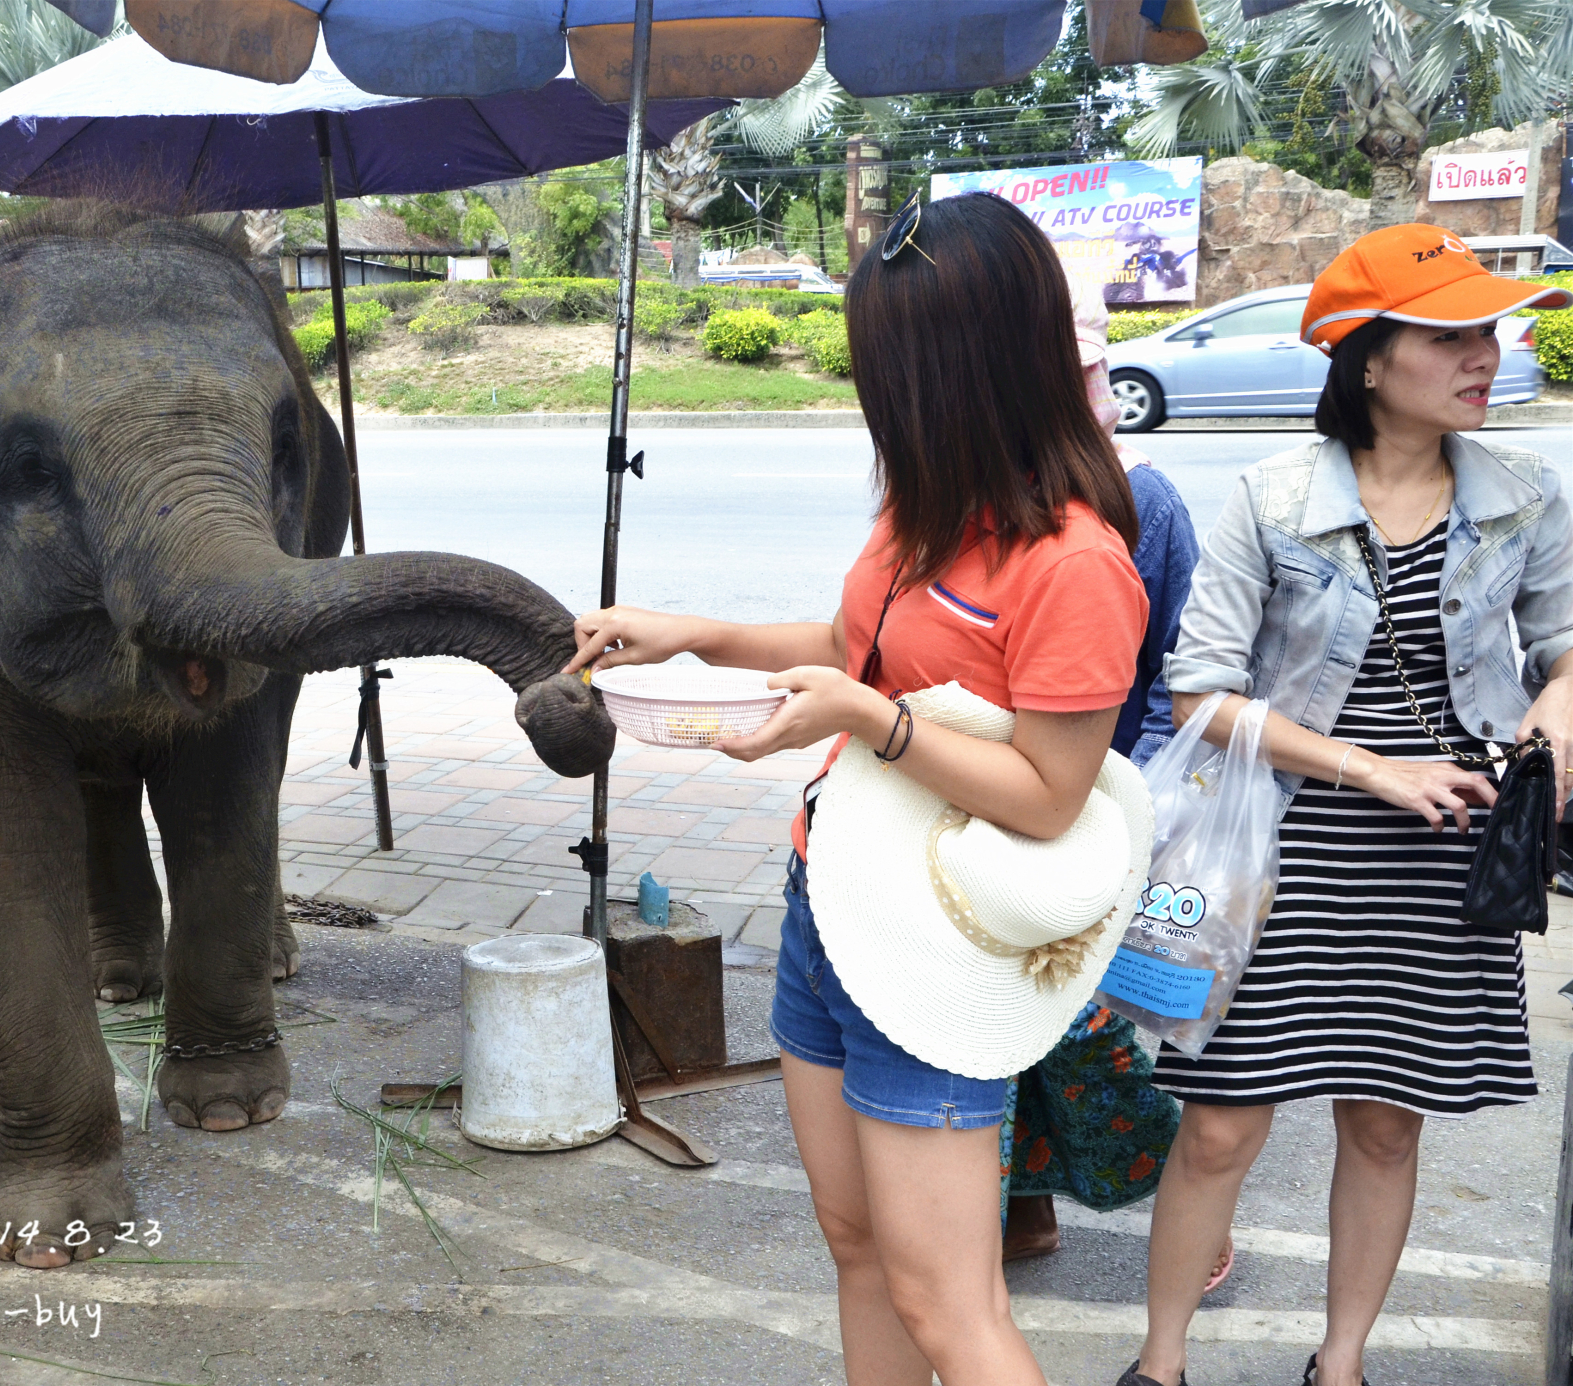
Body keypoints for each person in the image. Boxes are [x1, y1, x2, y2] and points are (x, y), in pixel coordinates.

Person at [566, 191, 1149, 1386]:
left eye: (890, 369)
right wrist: (694, 634)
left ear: (969, 371)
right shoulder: (926, 513)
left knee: (948, 1303)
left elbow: (1046, 793)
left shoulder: (1075, 564)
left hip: (938, 949)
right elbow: (851, 643)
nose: (875, 398)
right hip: (829, 906)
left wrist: (871, 725)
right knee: (854, 1243)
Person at [1117, 226, 1573, 1386]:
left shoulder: (1524, 494)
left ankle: (1342, 1365)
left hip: (1444, 852)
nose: (1487, 353)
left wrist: (1553, 724)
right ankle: (1158, 1365)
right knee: (1221, 1123)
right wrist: (1371, 768)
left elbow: (1564, 652)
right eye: (1451, 335)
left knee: (1385, 1121)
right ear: (1369, 360)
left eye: (1489, 330)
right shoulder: (1270, 497)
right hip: (1281, 844)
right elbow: (1199, 692)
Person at [999, 283, 1204, 1267]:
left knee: (1095, 1032)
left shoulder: (1140, 502)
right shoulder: (972, 491)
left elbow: (1183, 675)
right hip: (994, 804)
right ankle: (1021, 1206)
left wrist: (1136, 802)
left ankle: (1191, 1209)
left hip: (1100, 803)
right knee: (1002, 1018)